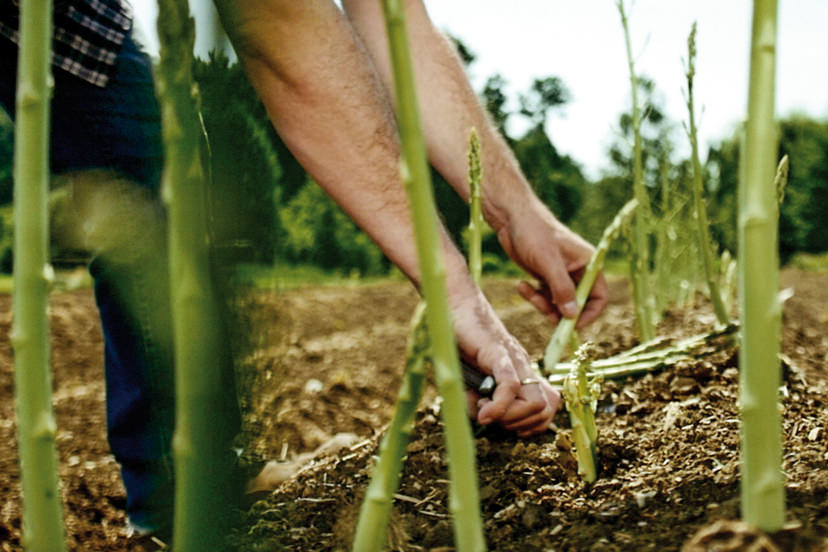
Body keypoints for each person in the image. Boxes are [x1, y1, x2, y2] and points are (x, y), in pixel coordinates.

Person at [1, 0, 608, 544]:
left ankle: (187, 485)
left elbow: (387, 16)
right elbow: (279, 23)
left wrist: (520, 213)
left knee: (158, 169)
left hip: (74, 18)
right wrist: (455, 292)